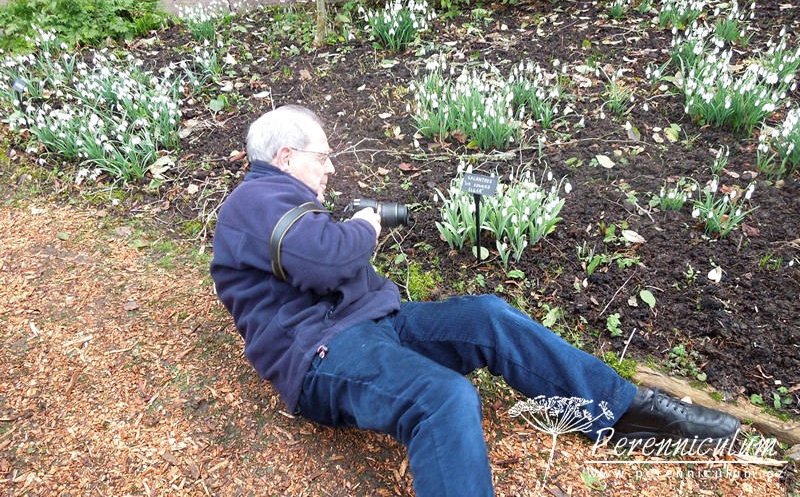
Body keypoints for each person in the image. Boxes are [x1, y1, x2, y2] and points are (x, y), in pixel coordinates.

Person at [210, 105, 740, 496]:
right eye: (323, 157)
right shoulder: (254, 200)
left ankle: (623, 411)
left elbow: (317, 258)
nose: (330, 168)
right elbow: (323, 261)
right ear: (285, 157)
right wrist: (365, 227)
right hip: (322, 353)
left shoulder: (283, 200)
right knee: (443, 398)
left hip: (375, 324)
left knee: (487, 315)